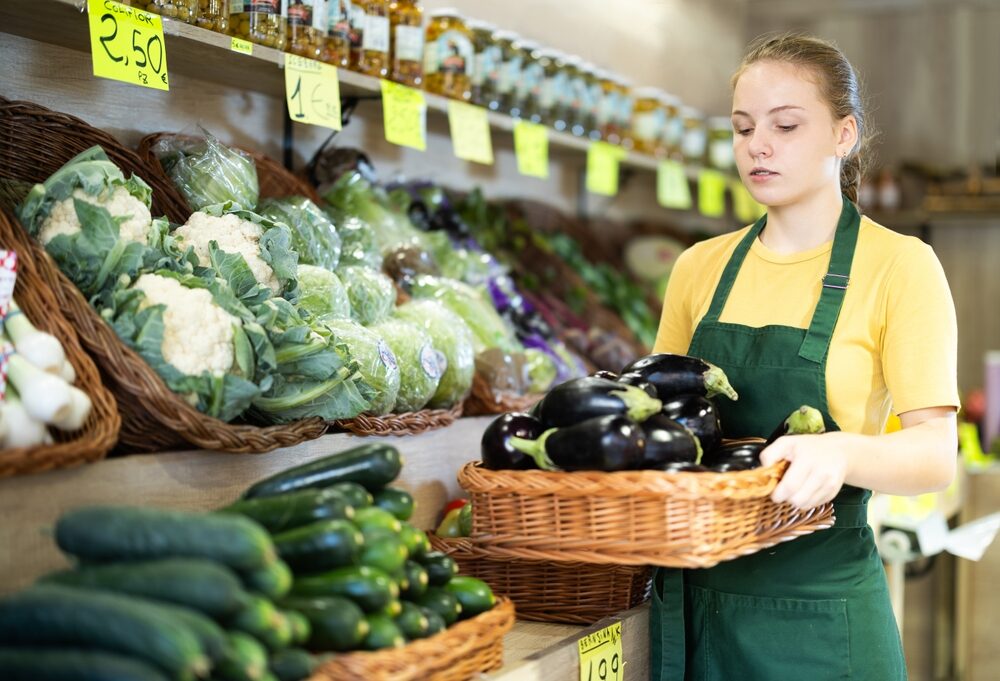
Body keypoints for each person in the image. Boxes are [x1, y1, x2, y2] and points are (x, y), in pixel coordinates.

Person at [649, 34, 959, 680]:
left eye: (785, 125)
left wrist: (841, 451)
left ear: (843, 134)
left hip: (827, 625)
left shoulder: (899, 266)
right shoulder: (697, 269)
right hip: (699, 616)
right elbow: (662, 431)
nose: (757, 144)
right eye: (742, 127)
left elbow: (934, 454)